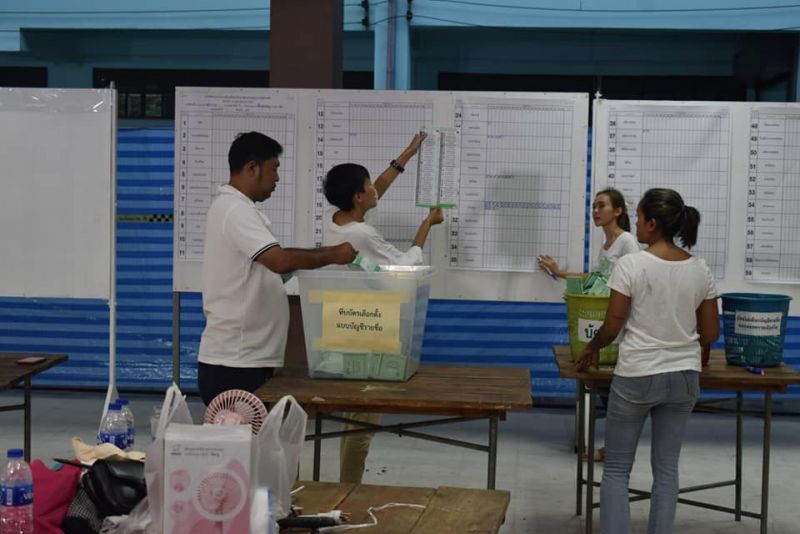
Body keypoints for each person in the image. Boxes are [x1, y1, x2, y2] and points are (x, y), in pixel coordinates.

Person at [575, 188, 720, 534]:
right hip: (684, 376)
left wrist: (593, 347)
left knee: (616, 470)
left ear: (652, 224)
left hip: (638, 374)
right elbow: (711, 332)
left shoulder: (632, 264)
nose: (635, 223)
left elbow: (613, 324)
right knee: (667, 469)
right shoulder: (700, 269)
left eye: (639, 217)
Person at [197, 132, 356, 406]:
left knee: (254, 445)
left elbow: (276, 262)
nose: (277, 179)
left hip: (246, 359)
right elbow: (279, 260)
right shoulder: (235, 210)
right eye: (274, 170)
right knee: (240, 446)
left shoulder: (237, 209)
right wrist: (334, 254)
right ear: (252, 168)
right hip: (235, 363)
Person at [322, 132, 444, 484]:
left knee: (353, 416)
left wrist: (407, 153)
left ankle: (345, 485)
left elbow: (379, 185)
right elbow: (404, 266)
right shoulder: (361, 235)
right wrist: (426, 225)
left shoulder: (338, 220)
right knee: (361, 423)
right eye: (368, 187)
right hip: (368, 330)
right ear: (358, 198)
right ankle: (349, 492)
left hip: (344, 325)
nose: (376, 189)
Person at [538, 188, 639, 280]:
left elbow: (636, 279)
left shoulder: (627, 240)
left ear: (617, 211)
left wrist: (558, 272)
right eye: (594, 207)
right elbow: (595, 279)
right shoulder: (605, 245)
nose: (595, 211)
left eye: (601, 206)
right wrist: (557, 272)